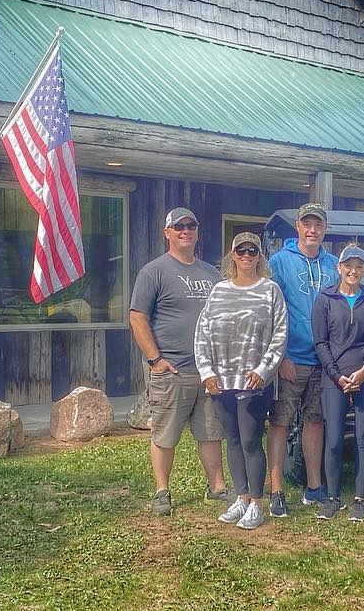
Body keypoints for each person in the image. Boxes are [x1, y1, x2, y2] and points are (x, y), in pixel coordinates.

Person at [128, 207, 229, 516]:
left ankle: (217, 488)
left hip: (207, 371)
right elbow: (137, 318)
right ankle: (162, 491)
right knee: (165, 434)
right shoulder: (154, 271)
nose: (186, 230)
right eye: (179, 226)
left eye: (191, 225)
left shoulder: (211, 273)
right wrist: (155, 360)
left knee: (211, 432)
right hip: (172, 369)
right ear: (167, 232)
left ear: (197, 231)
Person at [195, 232, 288, 531]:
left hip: (254, 382)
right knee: (232, 440)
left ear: (259, 256)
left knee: (250, 440)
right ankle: (242, 497)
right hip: (221, 381)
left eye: (252, 251)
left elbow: (280, 334)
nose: (246, 256)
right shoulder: (218, 291)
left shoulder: (271, 290)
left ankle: (257, 503)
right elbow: (202, 333)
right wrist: (206, 372)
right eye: (241, 251)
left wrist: (264, 370)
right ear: (232, 255)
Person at [266, 202, 339, 517]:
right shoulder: (279, 261)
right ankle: (276, 490)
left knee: (315, 421)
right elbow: (271, 310)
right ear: (297, 226)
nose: (312, 230)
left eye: (318, 225)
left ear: (324, 229)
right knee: (280, 422)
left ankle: (314, 487)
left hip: (324, 361)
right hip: (291, 359)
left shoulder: (334, 264)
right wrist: (280, 355)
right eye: (307, 224)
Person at [312, 245, 364, 522]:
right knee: (333, 439)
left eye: (359, 266)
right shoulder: (325, 299)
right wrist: (335, 374)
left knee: (363, 438)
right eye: (348, 266)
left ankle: (359, 499)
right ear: (339, 267)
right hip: (334, 379)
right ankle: (332, 498)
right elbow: (320, 342)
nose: (353, 271)